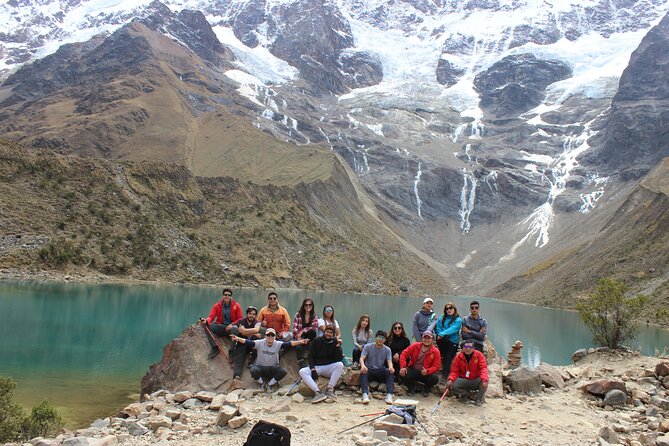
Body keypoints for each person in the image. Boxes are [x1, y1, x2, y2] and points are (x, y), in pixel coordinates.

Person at [230, 328, 309, 392]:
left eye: (272, 335)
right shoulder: (260, 342)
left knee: (283, 371)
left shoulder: (277, 344)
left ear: (275, 336)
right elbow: (248, 342)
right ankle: (262, 383)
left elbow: (288, 344)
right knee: (253, 370)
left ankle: (270, 384)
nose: (270, 337)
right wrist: (238, 338)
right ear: (265, 336)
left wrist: (300, 342)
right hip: (261, 368)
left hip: (272, 369)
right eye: (268, 335)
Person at [298, 325, 344, 403]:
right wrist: (312, 368)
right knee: (302, 371)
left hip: (329, 367)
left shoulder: (335, 342)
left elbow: (338, 359)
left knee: (340, 365)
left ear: (333, 334)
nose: (328, 334)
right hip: (317, 367)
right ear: (324, 332)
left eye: (331, 332)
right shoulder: (317, 340)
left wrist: (338, 347)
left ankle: (330, 389)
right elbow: (311, 355)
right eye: (327, 332)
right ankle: (318, 392)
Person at [200, 288, 242, 359]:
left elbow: (240, 318)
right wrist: (206, 321)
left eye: (229, 295)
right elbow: (211, 316)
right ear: (223, 296)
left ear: (231, 296)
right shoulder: (217, 305)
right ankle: (215, 347)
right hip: (221, 326)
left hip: (231, 328)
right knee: (207, 326)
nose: (227, 296)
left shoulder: (236, 305)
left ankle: (231, 351)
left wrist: (232, 324)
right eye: (225, 295)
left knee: (235, 329)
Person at [445, 339, 489, 406]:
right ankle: (466, 394)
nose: (468, 349)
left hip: (476, 379)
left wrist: (484, 380)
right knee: (453, 384)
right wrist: (451, 379)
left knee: (484, 381)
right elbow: (454, 371)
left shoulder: (479, 355)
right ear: (463, 348)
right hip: (464, 379)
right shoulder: (459, 357)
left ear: (473, 348)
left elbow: (483, 368)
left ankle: (479, 399)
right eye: (465, 347)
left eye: (470, 347)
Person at [399, 330, 441, 397]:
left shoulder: (435, 351)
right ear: (422, 338)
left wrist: (427, 371)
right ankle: (411, 387)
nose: (426, 340)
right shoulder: (415, 345)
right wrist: (403, 367)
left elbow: (436, 366)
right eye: (425, 338)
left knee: (434, 378)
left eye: (429, 338)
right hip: (413, 370)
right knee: (402, 373)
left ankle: (426, 389)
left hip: (426, 373)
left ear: (432, 340)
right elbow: (404, 354)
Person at [229, 306, 265, 380]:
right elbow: (243, 331)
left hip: (251, 343)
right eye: (250, 313)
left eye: (253, 314)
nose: (251, 315)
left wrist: (246, 331)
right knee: (239, 356)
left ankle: (252, 359)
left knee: (258, 338)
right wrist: (254, 333)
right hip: (242, 342)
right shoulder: (241, 321)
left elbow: (256, 329)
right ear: (247, 314)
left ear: (255, 315)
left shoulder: (257, 322)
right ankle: (237, 375)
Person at [360, 330, 395, 404]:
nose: (380, 339)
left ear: (385, 340)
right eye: (379, 337)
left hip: (380, 370)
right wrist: (363, 366)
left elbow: (389, 361)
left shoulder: (387, 349)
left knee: (389, 372)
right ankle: (365, 394)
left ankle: (389, 395)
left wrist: (391, 367)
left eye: (383, 338)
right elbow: (362, 358)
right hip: (369, 369)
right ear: (375, 338)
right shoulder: (368, 346)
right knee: (363, 372)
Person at [433, 302, 462, 380]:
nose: (449, 310)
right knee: (442, 338)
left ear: (454, 309)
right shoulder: (442, 317)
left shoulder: (458, 320)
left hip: (453, 342)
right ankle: (442, 354)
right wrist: (439, 334)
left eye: (450, 308)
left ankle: (445, 376)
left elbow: (452, 329)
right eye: (447, 309)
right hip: (443, 341)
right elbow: (437, 326)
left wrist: (442, 334)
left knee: (447, 358)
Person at [292, 298, 320, 367]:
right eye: (306, 305)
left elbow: (314, 328)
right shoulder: (298, 315)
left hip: (309, 337)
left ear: (312, 306)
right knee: (298, 347)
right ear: (303, 306)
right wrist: (300, 339)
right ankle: (301, 362)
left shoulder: (315, 316)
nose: (308, 306)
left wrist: (303, 331)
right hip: (299, 337)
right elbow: (294, 329)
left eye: (310, 305)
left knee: (311, 332)